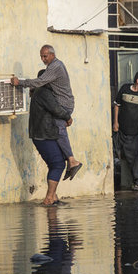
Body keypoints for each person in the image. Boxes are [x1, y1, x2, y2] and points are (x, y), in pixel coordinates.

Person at [12, 45, 82, 180]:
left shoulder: (55, 66)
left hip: (63, 104)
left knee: (60, 130)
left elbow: (41, 81)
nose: (43, 59)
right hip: (51, 120)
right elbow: (41, 82)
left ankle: (72, 160)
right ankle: (71, 161)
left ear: (52, 55)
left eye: (45, 56)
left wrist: (19, 82)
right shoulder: (52, 70)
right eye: (41, 56)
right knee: (59, 130)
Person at [28, 70, 73, 205]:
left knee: (55, 163)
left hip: (43, 134)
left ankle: (53, 196)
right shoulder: (44, 92)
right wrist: (68, 117)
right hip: (44, 135)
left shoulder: (40, 91)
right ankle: (49, 198)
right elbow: (56, 109)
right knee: (58, 164)